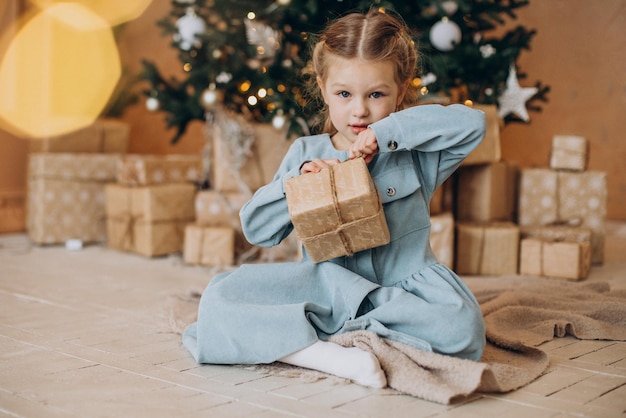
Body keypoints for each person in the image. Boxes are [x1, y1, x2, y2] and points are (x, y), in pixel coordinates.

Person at [183, 9, 487, 389]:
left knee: (464, 328)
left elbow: (473, 125)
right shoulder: (304, 152)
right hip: (322, 290)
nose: (359, 110)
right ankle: (325, 355)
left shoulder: (414, 152)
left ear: (401, 87)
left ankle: (314, 336)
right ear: (324, 87)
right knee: (218, 299)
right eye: (344, 94)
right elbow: (257, 228)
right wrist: (297, 183)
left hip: (399, 293)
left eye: (376, 94)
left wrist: (389, 132)